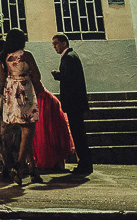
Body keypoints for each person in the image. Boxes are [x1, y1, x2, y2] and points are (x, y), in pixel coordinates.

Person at [0, 27, 42, 185]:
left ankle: (33, 169)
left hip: (12, 92)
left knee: (25, 131)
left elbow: (4, 77)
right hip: (25, 91)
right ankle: (19, 165)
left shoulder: (7, 56)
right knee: (29, 128)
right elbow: (37, 76)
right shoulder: (26, 55)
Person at [51, 33, 92, 178]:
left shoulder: (68, 57)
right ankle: (85, 163)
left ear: (64, 43)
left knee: (78, 134)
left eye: (56, 43)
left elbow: (69, 78)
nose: (55, 47)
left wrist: (58, 75)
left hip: (74, 103)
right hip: (76, 103)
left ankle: (85, 164)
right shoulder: (71, 56)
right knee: (78, 133)